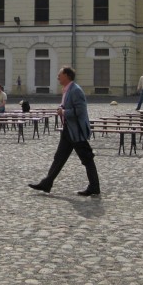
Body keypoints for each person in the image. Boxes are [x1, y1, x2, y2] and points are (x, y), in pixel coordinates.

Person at [29, 66, 101, 196]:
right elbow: (68, 106)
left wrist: (64, 112)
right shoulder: (67, 90)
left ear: (67, 76)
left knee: (87, 158)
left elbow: (80, 111)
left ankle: (94, 187)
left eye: (59, 74)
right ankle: (47, 183)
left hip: (76, 131)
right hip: (68, 130)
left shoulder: (76, 90)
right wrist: (62, 108)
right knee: (59, 157)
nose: (57, 77)